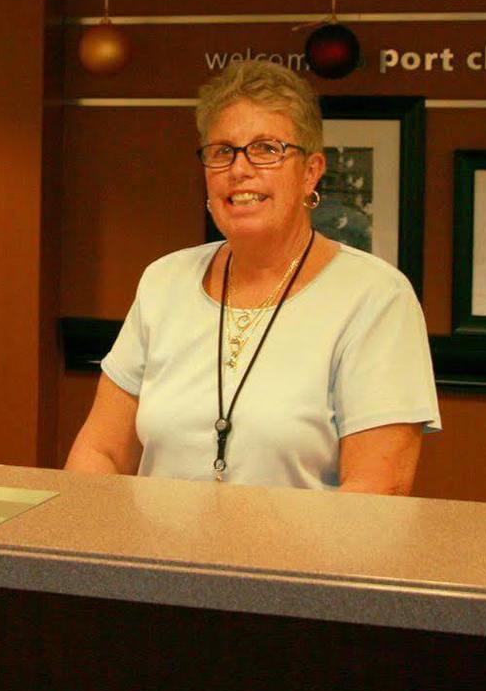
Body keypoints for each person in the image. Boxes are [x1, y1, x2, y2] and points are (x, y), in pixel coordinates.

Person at [65, 60, 438, 492]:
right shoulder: (163, 282)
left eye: (266, 149)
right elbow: (99, 452)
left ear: (311, 171)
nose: (239, 169)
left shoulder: (376, 298)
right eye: (222, 151)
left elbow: (378, 493)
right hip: (153, 557)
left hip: (297, 560)